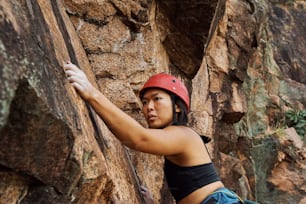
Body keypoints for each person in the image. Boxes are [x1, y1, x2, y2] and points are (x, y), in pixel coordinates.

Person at [64, 62, 246, 204]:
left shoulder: (184, 135)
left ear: (176, 106)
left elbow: (138, 138)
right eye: (144, 102)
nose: (148, 107)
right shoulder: (178, 139)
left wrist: (91, 93)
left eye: (157, 99)